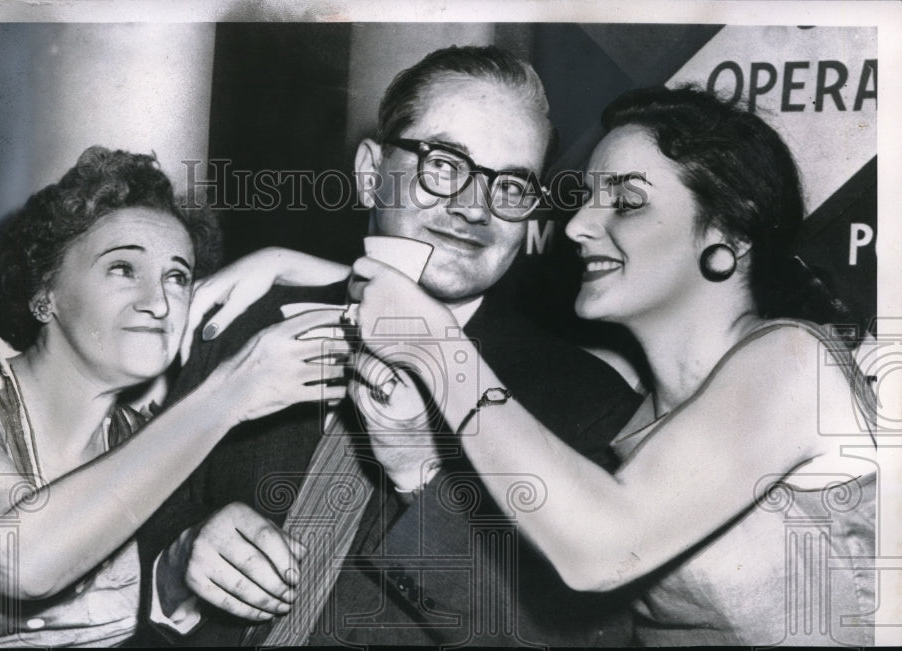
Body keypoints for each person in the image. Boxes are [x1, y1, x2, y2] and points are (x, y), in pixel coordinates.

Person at [136, 46, 642, 646]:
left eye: (510, 186)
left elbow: (562, 639)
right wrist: (174, 567)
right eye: (445, 164)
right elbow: (124, 520)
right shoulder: (242, 322)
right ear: (372, 172)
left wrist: (421, 477)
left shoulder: (586, 403)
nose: (473, 207)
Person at [348, 85, 877, 646]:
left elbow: (601, 550)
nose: (577, 226)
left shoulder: (795, 361)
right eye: (585, 199)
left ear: (730, 231)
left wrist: (436, 347)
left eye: (625, 203)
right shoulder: (633, 423)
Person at [0, 146, 350, 647]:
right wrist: (230, 394)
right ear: (46, 292)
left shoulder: (151, 439)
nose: (159, 302)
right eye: (123, 268)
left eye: (178, 277)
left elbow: (422, 312)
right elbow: (20, 557)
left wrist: (277, 261)